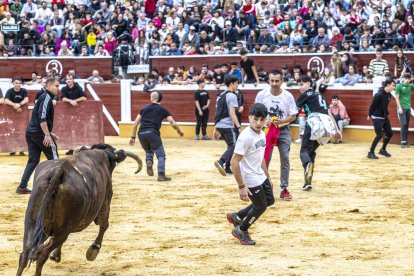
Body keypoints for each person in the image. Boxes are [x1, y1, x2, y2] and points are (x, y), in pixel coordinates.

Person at [226, 103, 275, 245]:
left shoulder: (261, 133)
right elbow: (234, 161)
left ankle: (237, 216)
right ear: (249, 118)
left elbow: (261, 158)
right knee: (260, 206)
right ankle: (241, 229)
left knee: (270, 200)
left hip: (260, 174)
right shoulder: (246, 137)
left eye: (262, 119)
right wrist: (241, 186)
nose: (259, 123)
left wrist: (268, 177)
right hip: (249, 178)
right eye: (256, 119)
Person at [255, 71, 297, 200]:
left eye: (277, 81)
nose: (274, 83)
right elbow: (255, 112)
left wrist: (282, 121)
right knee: (264, 158)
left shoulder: (288, 96)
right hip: (266, 131)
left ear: (282, 81)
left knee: (285, 158)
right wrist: (263, 122)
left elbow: (293, 115)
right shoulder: (262, 95)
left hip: (283, 130)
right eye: (272, 81)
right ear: (269, 81)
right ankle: (264, 186)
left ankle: (284, 188)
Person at [16, 77, 61, 194]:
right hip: (39, 134)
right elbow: (42, 118)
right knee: (54, 157)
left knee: (33, 160)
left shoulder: (44, 97)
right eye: (56, 86)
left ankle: (22, 186)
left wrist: (49, 133)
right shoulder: (46, 97)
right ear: (49, 85)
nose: (58, 88)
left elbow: (38, 118)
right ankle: (59, 185)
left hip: (31, 133)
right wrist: (47, 135)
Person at [296, 75, 341, 191]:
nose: (300, 87)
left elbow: (294, 110)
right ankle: (307, 182)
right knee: (311, 153)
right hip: (326, 125)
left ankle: (307, 166)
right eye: (299, 85)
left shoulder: (305, 95)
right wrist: (336, 130)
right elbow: (329, 113)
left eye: (302, 84)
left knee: (304, 151)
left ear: (309, 84)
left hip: (314, 122)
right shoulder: (320, 95)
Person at [129, 91, 184, 181]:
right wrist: (179, 131)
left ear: (151, 98)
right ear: (160, 99)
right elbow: (172, 122)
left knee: (149, 150)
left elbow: (135, 124)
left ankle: (149, 161)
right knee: (161, 155)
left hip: (141, 133)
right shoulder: (163, 109)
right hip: (152, 133)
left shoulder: (144, 109)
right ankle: (161, 175)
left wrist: (133, 137)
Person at [213, 75, 242, 176]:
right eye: (237, 83)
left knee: (231, 146)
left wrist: (215, 128)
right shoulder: (232, 96)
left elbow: (217, 113)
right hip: (228, 125)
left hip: (220, 125)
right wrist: (238, 127)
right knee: (234, 146)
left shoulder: (220, 96)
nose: (237, 85)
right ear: (232, 84)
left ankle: (228, 167)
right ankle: (221, 161)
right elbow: (232, 113)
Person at [367, 78, 396, 159]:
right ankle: (371, 152)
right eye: (393, 85)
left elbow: (384, 106)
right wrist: (369, 115)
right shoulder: (378, 95)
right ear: (387, 85)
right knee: (379, 135)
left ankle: (382, 150)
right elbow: (372, 106)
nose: (394, 87)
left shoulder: (389, 94)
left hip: (384, 117)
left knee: (389, 133)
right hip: (376, 117)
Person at [61, 73, 87, 155]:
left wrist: (75, 101)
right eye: (67, 79)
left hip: (78, 112)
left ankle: (79, 147)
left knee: (79, 129)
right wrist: (71, 101)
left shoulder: (78, 87)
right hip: (68, 113)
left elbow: (84, 97)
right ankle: (71, 148)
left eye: (70, 79)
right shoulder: (64, 88)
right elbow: (63, 98)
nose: (68, 80)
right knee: (69, 130)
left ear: (73, 80)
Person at [4, 77, 29, 156]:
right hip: (11, 117)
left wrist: (19, 104)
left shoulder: (24, 91)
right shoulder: (9, 91)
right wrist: (15, 105)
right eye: (16, 83)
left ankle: (22, 149)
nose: (18, 85)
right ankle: (12, 149)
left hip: (22, 116)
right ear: (13, 83)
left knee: (22, 132)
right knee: (12, 132)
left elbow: (26, 99)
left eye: (19, 83)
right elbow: (6, 100)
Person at [395, 73, 413, 148]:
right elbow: (397, 98)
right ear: (403, 79)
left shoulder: (410, 86)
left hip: (408, 108)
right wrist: (399, 108)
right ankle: (403, 141)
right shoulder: (399, 86)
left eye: (409, 79)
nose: (407, 80)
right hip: (401, 108)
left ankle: (405, 141)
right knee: (404, 124)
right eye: (406, 79)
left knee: (406, 125)